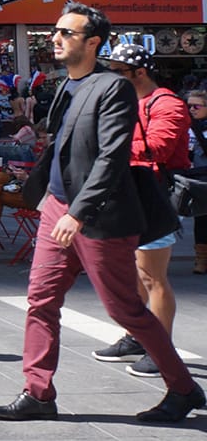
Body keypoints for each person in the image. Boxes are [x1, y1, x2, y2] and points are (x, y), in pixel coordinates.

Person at [0, 2, 204, 424]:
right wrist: (50, 198)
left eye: (67, 33)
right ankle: (38, 393)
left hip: (99, 216)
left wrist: (79, 211)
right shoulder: (65, 86)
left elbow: (112, 156)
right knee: (41, 301)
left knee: (125, 308)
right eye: (56, 31)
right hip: (57, 208)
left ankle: (183, 387)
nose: (56, 38)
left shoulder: (112, 87)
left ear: (93, 42)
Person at [89, 44, 191, 379]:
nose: (111, 77)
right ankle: (137, 336)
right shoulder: (124, 101)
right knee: (133, 273)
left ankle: (160, 347)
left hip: (154, 197)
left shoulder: (167, 103)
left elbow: (159, 148)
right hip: (127, 194)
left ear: (140, 72)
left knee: (153, 277)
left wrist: (106, 147)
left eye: (118, 71)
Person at [187, 89, 207, 274]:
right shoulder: (187, 126)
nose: (192, 109)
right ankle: (201, 259)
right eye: (189, 106)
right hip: (198, 178)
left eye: (197, 106)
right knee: (200, 219)